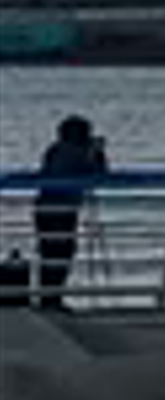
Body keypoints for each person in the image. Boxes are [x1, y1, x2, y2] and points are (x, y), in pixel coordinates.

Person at [23, 112, 106, 301]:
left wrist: (94, 153)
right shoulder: (76, 152)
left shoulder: (55, 150)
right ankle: (52, 297)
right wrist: (97, 153)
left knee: (50, 252)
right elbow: (98, 174)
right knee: (61, 252)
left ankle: (48, 297)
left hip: (46, 206)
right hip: (61, 208)